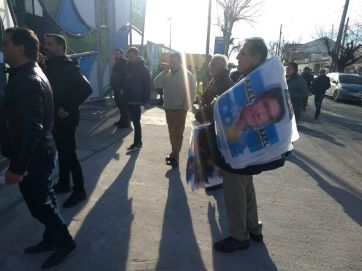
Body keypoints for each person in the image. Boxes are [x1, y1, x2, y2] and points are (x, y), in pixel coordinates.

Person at [0, 27, 76, 269]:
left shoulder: (28, 79)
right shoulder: (29, 72)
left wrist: (18, 167)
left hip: (35, 156)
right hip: (39, 152)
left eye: (6, 44)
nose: (3, 48)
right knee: (44, 198)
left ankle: (64, 241)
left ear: (20, 48)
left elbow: (32, 128)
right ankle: (51, 237)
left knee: (38, 203)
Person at [213, 37, 268, 253]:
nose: (237, 56)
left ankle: (238, 236)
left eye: (243, 53)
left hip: (242, 146)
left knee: (234, 189)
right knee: (246, 186)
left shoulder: (255, 80)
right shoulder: (254, 76)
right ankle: (253, 228)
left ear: (256, 57)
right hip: (250, 147)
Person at [43, 34, 92, 208]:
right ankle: (64, 183)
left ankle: (79, 190)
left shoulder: (67, 66)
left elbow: (86, 88)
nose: (46, 47)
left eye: (50, 44)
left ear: (61, 47)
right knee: (62, 152)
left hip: (66, 119)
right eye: (45, 44)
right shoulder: (50, 65)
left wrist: (67, 107)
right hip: (54, 118)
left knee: (69, 154)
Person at [154, 52, 196, 168]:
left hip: (180, 110)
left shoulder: (187, 75)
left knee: (177, 134)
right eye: (171, 62)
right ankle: (174, 153)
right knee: (172, 132)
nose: (172, 64)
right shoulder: (167, 74)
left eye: (175, 62)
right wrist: (163, 72)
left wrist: (186, 107)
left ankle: (175, 157)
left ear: (180, 62)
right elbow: (156, 83)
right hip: (168, 108)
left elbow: (191, 92)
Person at [124, 47, 151, 153]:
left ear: (136, 55)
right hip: (129, 100)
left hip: (138, 101)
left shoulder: (144, 69)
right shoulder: (128, 67)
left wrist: (146, 101)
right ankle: (136, 142)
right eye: (128, 56)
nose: (129, 58)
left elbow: (148, 86)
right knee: (134, 122)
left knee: (136, 122)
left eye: (131, 56)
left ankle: (138, 143)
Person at [110, 48, 129, 128]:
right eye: (115, 54)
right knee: (119, 104)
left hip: (120, 88)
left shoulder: (123, 62)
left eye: (117, 54)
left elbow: (124, 77)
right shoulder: (118, 62)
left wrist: (122, 88)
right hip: (116, 87)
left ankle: (125, 123)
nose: (116, 56)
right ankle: (122, 120)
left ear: (121, 54)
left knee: (122, 105)